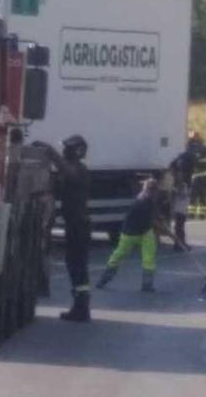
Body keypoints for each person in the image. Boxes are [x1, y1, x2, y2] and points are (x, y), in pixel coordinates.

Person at [32, 135, 92, 322]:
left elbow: (67, 172)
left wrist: (50, 150)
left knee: (77, 266)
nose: (65, 152)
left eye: (68, 149)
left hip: (79, 226)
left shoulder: (80, 171)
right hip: (74, 225)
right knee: (73, 265)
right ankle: (80, 306)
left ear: (77, 151)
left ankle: (81, 308)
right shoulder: (71, 170)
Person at [96, 178, 171, 292]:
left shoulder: (150, 199)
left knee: (149, 257)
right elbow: (152, 221)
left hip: (145, 231)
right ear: (150, 190)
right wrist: (167, 232)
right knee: (119, 255)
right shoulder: (141, 202)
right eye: (154, 191)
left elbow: (155, 214)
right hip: (130, 232)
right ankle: (105, 277)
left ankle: (147, 284)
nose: (156, 194)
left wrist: (163, 222)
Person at [169, 151, 194, 251]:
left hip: (181, 192)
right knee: (180, 222)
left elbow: (172, 168)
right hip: (182, 193)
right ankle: (180, 244)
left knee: (179, 223)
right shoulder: (184, 163)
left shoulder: (178, 162)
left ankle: (178, 243)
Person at [187, 131, 206, 219]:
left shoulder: (195, 148)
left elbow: (194, 161)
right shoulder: (205, 148)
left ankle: (191, 214)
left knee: (193, 195)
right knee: (203, 196)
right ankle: (202, 215)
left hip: (197, 175)